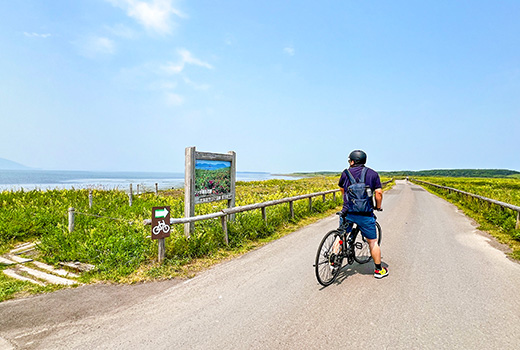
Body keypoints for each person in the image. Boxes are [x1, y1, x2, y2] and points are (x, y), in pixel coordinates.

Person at [338, 150, 388, 279]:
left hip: (348, 212)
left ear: (353, 161)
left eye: (350, 160)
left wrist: (347, 201)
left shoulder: (345, 173)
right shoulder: (372, 174)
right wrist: (378, 206)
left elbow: (342, 189)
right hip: (365, 214)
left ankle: (333, 262)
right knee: (372, 242)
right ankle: (378, 270)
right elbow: (379, 193)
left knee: (341, 235)